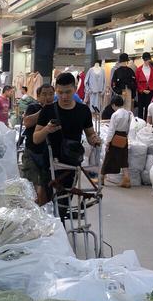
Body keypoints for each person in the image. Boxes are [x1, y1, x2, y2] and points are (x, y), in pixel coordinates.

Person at [32, 73, 102, 204]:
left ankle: (61, 223)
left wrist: (95, 139)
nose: (64, 96)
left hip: (72, 163)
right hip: (50, 163)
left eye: (68, 92)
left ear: (75, 89)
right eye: (60, 92)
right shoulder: (48, 110)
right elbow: (36, 138)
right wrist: (47, 129)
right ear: (56, 90)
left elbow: (90, 134)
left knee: (64, 203)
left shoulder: (83, 110)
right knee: (47, 203)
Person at [21, 84, 55, 202]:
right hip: (32, 151)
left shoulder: (57, 109)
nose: (48, 97)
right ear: (38, 96)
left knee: (46, 186)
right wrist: (44, 111)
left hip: (49, 154)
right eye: (44, 94)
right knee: (31, 185)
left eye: (51, 94)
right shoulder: (33, 107)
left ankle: (43, 212)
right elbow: (27, 122)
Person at [100, 96, 133, 188]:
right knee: (124, 158)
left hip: (115, 137)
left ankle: (101, 178)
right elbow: (129, 127)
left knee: (108, 157)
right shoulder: (128, 114)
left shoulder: (115, 115)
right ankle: (127, 179)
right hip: (123, 137)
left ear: (114, 104)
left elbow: (111, 130)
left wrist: (107, 142)